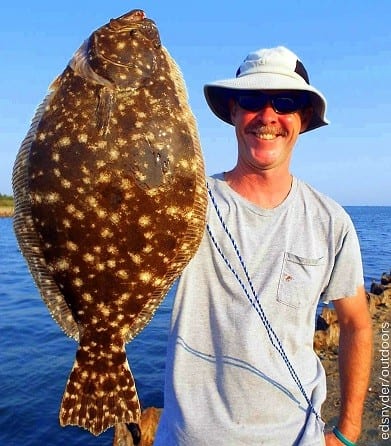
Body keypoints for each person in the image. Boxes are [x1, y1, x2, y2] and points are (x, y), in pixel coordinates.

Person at [153, 46, 373, 445]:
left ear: (303, 119)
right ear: (234, 112)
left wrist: (349, 431)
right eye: (253, 100)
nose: (267, 116)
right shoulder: (183, 204)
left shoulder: (330, 221)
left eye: (285, 102)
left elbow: (357, 322)